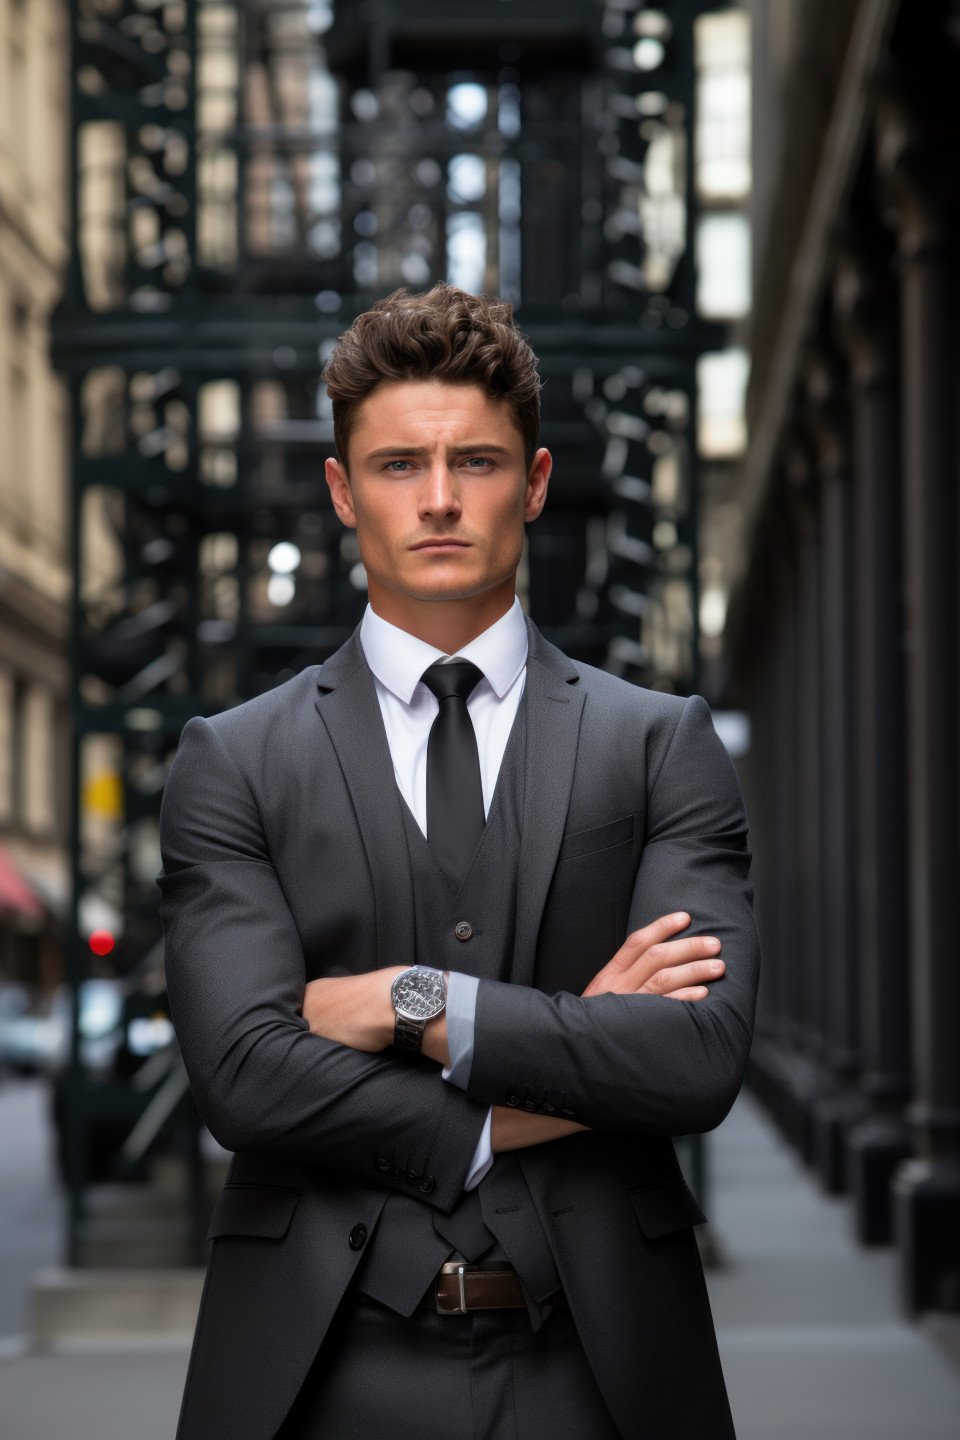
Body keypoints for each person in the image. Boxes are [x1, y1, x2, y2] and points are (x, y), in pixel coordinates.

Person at [157, 284, 759, 1440]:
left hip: (601, 1365)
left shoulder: (657, 745)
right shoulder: (233, 763)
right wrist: (538, 1094)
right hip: (318, 1369)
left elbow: (694, 1059)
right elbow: (242, 1075)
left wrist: (408, 1002)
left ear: (532, 483)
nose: (438, 499)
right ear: (342, 491)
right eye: (397, 466)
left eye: (475, 462)